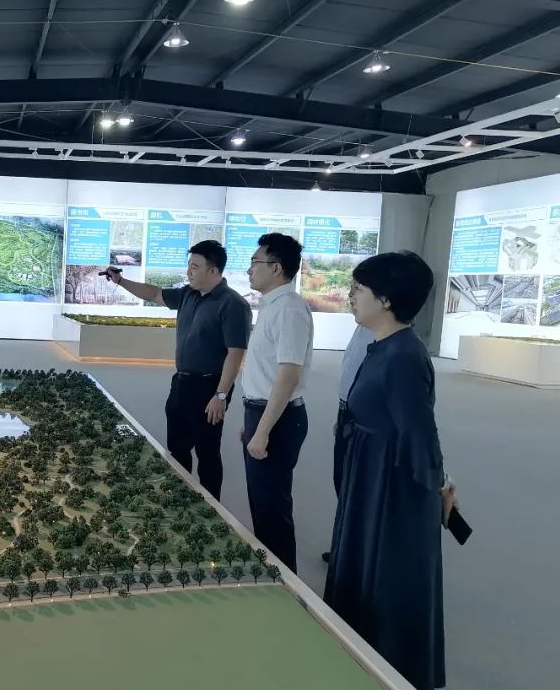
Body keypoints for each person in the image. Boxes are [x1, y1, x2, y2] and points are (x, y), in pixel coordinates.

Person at [324, 251, 454, 690]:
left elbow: (419, 431)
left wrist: (438, 485)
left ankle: (392, 676)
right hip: (371, 475)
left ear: (385, 299)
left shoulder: (403, 356)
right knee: (364, 569)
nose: (350, 296)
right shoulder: (383, 345)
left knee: (388, 574)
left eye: (358, 290)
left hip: (392, 487)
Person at [105, 240, 251, 499]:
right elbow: (153, 294)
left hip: (210, 387)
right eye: (189, 265)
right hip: (182, 383)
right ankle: (180, 498)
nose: (188, 271)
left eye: (195, 267)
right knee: (177, 448)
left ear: (213, 271)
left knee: (207, 452)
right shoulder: (188, 294)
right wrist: (120, 281)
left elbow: (235, 353)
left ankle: (211, 506)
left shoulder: (233, 304)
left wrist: (220, 395)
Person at [239, 233, 313, 572]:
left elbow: (287, 376)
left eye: (255, 262)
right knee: (262, 503)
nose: (249, 270)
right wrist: (252, 419)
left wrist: (263, 430)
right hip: (264, 413)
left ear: (277, 268)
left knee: (272, 508)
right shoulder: (273, 306)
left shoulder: (290, 310)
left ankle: (284, 580)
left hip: (279, 420)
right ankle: (270, 574)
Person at [322, 322, 374, 564]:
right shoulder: (362, 328)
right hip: (347, 412)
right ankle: (346, 549)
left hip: (361, 417)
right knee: (342, 482)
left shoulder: (385, 337)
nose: (352, 303)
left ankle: (357, 555)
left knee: (357, 487)